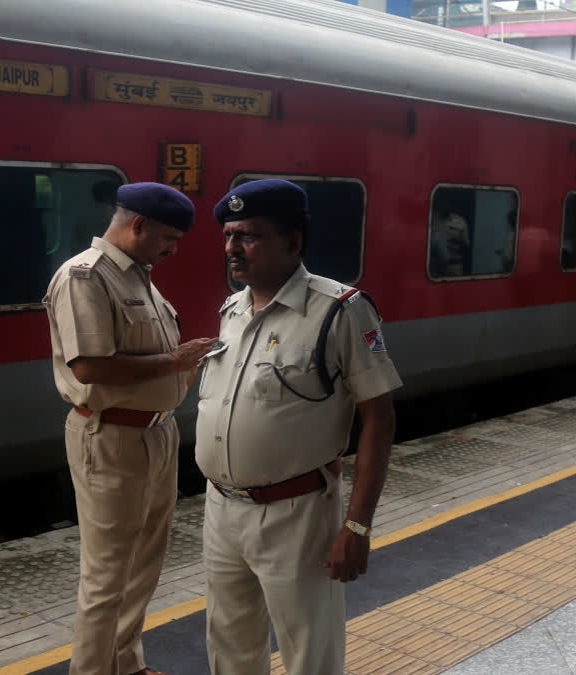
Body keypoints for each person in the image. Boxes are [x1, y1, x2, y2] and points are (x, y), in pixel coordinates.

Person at [196, 179, 403, 674]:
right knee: (229, 643)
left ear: (292, 242)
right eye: (228, 236)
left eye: (247, 236)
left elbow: (379, 415)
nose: (232, 249)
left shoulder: (340, 310)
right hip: (221, 508)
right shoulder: (233, 309)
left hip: (297, 514)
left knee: (310, 649)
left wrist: (356, 526)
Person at [43, 182, 216, 675]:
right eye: (169, 238)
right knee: (106, 575)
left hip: (155, 434)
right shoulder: (85, 278)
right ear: (138, 224)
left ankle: (126, 663)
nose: (173, 249)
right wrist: (175, 360)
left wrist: (189, 363)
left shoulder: (137, 275)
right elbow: (90, 368)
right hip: (112, 437)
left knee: (143, 563)